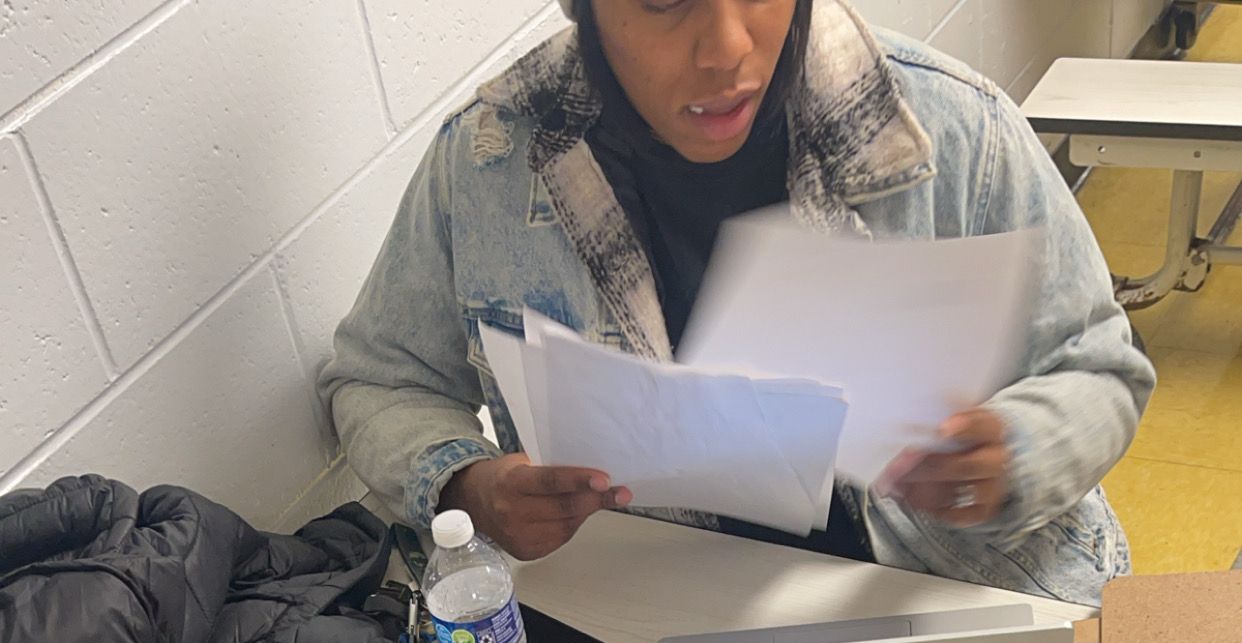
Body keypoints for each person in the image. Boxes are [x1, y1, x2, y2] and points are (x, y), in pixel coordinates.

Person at [321, 0, 1154, 608]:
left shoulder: (950, 124)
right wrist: (467, 484)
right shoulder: (487, 165)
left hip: (951, 594)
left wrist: (1015, 454)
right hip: (668, 624)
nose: (726, 48)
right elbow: (377, 380)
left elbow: (1099, 365)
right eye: (664, 0)